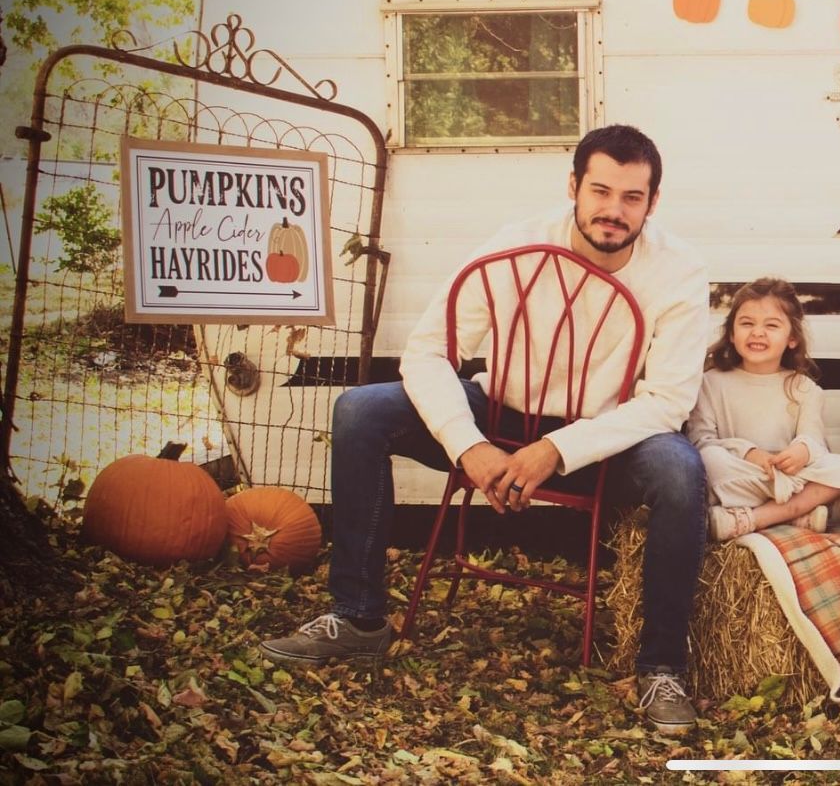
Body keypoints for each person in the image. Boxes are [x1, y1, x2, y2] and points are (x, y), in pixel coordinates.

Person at [258, 125, 712, 735]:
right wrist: (467, 442)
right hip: (498, 414)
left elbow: (667, 401)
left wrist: (556, 449)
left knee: (681, 470)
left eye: (632, 197)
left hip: (600, 436)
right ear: (573, 186)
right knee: (360, 411)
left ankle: (661, 666)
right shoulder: (518, 244)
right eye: (600, 190)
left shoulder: (678, 271)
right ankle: (359, 616)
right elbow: (428, 351)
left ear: (652, 203)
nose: (613, 210)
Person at [691, 277, 840, 540]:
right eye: (747, 323)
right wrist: (749, 454)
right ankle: (794, 513)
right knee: (709, 461)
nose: (757, 332)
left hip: (789, 476)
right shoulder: (710, 383)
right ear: (732, 334)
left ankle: (752, 518)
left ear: (792, 338)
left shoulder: (804, 389)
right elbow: (701, 441)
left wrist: (801, 452)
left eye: (771, 325)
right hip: (744, 472)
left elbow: (814, 440)